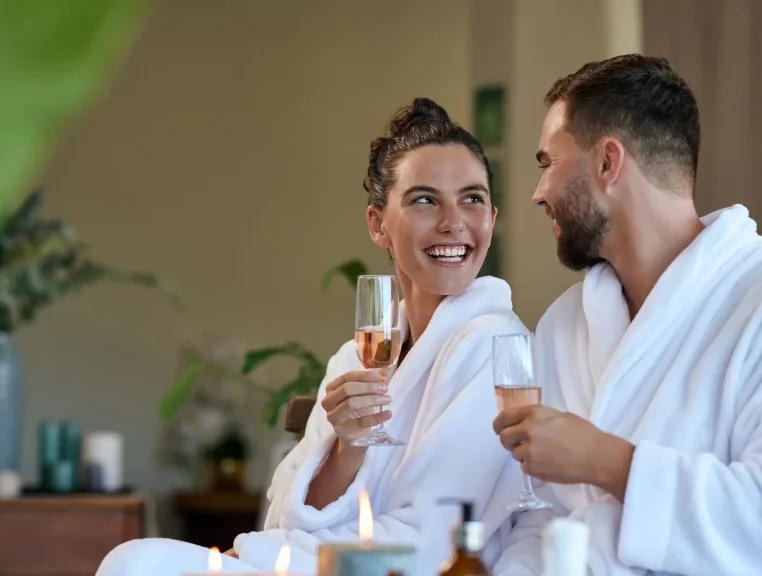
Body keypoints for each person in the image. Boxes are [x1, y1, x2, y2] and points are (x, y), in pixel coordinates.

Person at [98, 98, 527, 575]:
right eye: (425, 199)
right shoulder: (355, 359)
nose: (454, 222)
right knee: (135, 560)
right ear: (377, 224)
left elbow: (434, 541)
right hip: (329, 566)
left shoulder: (494, 348)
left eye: (472, 198)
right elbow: (287, 515)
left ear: (491, 216)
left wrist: (256, 556)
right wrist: (348, 447)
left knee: (140, 563)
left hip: (412, 569)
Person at [492, 55, 762, 576]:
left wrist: (606, 461)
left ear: (607, 162)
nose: (538, 193)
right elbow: (538, 518)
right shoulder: (565, 325)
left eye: (547, 163)